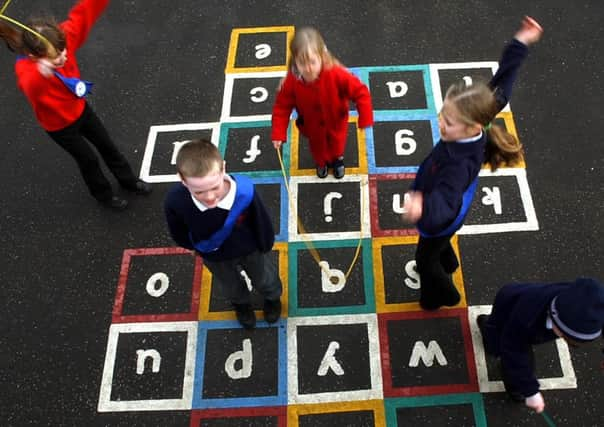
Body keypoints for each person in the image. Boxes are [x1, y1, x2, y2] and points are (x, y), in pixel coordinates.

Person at [403, 16, 543, 310]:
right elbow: (504, 79)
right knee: (437, 249)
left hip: (443, 217)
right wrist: (520, 42)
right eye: (443, 114)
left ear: (472, 127)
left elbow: (445, 199)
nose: (441, 123)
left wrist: (422, 207)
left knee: (424, 260)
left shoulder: (459, 164)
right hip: (450, 212)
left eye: (449, 122)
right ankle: (448, 260)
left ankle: (439, 296)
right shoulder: (483, 112)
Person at [0, 0, 151, 210]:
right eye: (56, 59)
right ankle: (104, 195)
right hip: (59, 126)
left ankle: (129, 181)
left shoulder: (63, 39)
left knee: (107, 146)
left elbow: (83, 13)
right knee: (88, 159)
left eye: (63, 52)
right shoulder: (28, 70)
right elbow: (30, 88)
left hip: (81, 110)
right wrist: (40, 73)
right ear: (35, 57)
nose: (63, 57)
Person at [164, 138, 282, 329]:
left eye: (214, 187)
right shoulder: (175, 200)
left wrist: (265, 245)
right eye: (199, 192)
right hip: (215, 255)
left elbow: (261, 221)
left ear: (223, 169)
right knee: (230, 285)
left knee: (264, 277)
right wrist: (194, 247)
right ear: (182, 180)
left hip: (250, 249)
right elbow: (178, 230)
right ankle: (242, 305)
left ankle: (272, 298)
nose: (210, 197)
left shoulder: (244, 192)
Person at [477, 278, 604, 413]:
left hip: (532, 311)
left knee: (510, 347)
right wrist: (530, 391)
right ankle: (516, 389)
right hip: (509, 306)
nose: (567, 341)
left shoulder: (594, 306)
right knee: (502, 347)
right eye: (566, 337)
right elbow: (514, 351)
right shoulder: (525, 317)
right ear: (555, 320)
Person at [271, 26, 373, 179]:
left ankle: (338, 160)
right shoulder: (292, 81)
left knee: (338, 145)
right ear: (295, 62)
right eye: (302, 63)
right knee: (317, 149)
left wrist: (365, 116)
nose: (308, 68)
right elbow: (282, 107)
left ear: (322, 57)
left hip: (337, 122)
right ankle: (321, 163)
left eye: (313, 62)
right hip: (312, 127)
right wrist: (278, 132)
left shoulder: (335, 73)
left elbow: (361, 92)